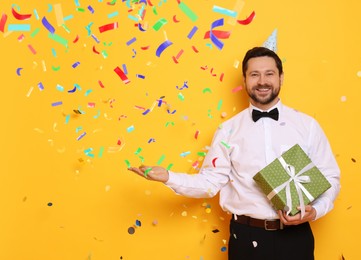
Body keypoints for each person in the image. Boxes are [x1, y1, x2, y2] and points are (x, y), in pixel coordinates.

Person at [128, 46, 340, 260]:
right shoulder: (228, 130)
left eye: (269, 74)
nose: (262, 81)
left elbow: (330, 177)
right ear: (245, 80)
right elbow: (210, 182)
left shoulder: (307, 126)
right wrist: (168, 177)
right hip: (246, 238)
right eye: (254, 74)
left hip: (297, 238)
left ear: (281, 77)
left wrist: (316, 211)